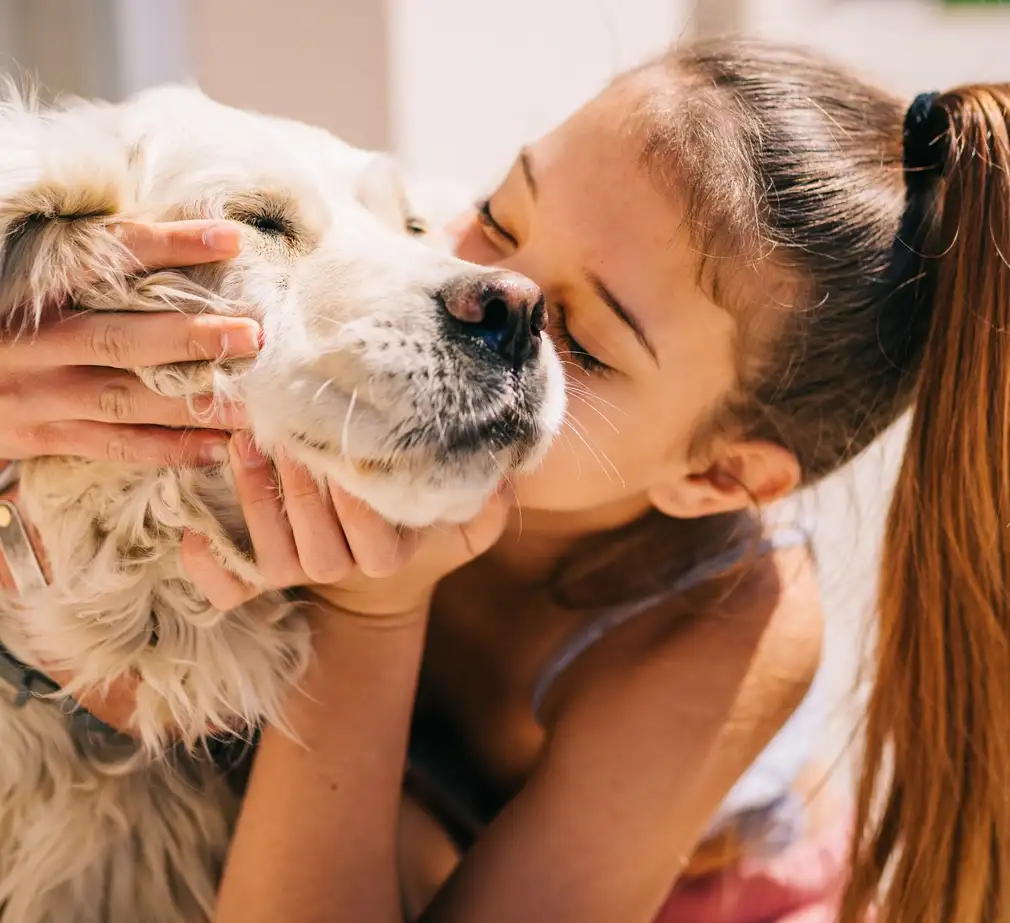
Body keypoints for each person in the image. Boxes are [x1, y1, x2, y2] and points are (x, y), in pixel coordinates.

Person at [1, 37, 1003, 923]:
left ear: (716, 474)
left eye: (586, 337)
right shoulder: (424, 271)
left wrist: (375, 614)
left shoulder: (726, 626)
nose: (493, 291)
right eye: (498, 211)